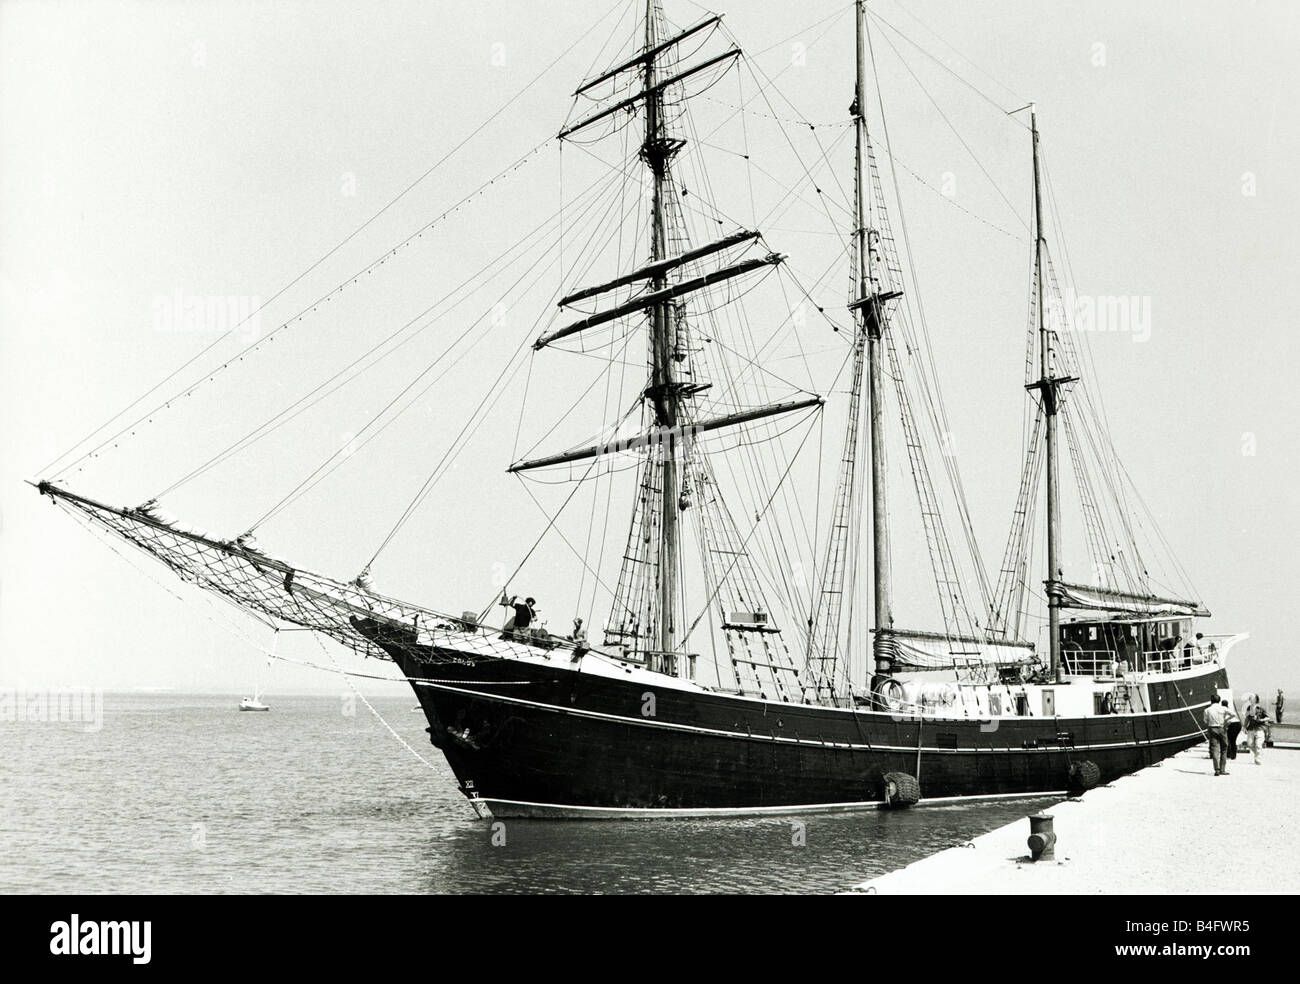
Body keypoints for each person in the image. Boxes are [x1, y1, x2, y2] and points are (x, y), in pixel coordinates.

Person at [1203, 696, 1232, 776]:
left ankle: (1217, 769)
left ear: (1211, 701)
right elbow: (1233, 714)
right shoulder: (1223, 708)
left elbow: (1205, 721)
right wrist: (1225, 720)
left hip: (1212, 728)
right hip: (1222, 728)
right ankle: (1222, 769)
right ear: (1219, 701)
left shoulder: (1207, 710)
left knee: (1215, 749)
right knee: (1224, 748)